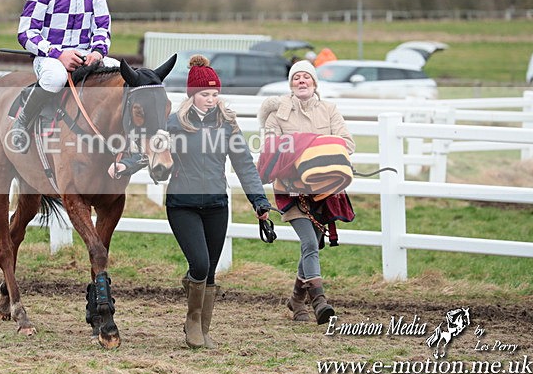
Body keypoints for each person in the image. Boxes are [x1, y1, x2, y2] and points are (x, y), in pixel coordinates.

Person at [109, 55, 272, 349]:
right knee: (199, 263)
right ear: (192, 95)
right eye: (205, 94)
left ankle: (202, 328)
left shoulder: (228, 126)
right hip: (182, 203)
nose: (211, 99)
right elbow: (151, 151)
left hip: (217, 205)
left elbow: (245, 165)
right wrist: (125, 165)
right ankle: (193, 322)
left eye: (214, 94)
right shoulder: (174, 124)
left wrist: (260, 203)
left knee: (209, 271)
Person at [258, 60, 355, 324]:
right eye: (296, 78)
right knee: (310, 242)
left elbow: (347, 143)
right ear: (291, 84)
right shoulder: (277, 115)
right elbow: (270, 147)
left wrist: (317, 151)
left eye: (306, 78)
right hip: (291, 191)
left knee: (312, 245)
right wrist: (305, 149)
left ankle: (296, 299)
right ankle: (320, 300)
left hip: (324, 190)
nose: (302, 81)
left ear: (314, 83)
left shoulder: (329, 110)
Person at [12, 0, 121, 151]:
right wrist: (58, 54)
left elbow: (102, 27)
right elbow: (27, 33)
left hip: (85, 56)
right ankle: (22, 123)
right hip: (49, 57)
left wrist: (98, 52)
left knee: (121, 72)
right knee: (55, 78)